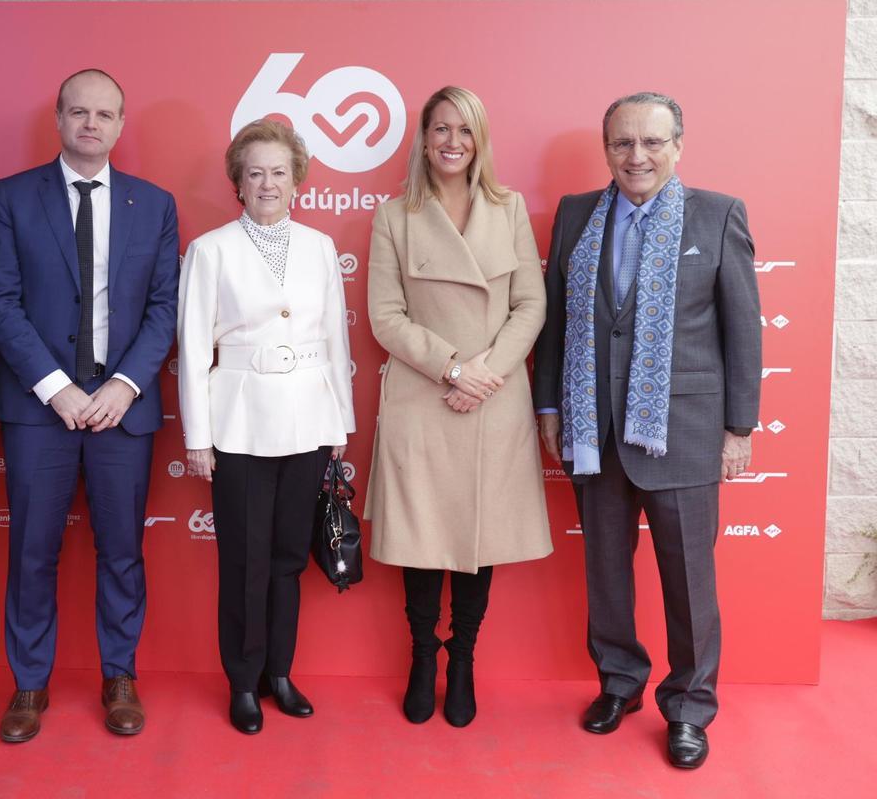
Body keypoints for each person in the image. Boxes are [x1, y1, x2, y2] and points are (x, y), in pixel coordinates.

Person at [532, 92, 761, 769]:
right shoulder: (576, 216)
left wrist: (738, 428)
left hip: (683, 430)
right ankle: (619, 683)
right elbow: (555, 321)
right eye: (623, 143)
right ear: (606, 150)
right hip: (593, 428)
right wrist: (549, 406)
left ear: (678, 147)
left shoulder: (717, 215)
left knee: (689, 583)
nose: (637, 156)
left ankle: (690, 707)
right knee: (605, 572)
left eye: (652, 142)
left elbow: (741, 330)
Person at [0, 69, 179, 742]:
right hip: (41, 409)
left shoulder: (155, 206)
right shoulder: (12, 198)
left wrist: (123, 386)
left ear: (121, 125)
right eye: (78, 112)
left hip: (123, 410)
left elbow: (163, 307)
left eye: (105, 114)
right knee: (32, 551)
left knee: (122, 550)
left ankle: (119, 676)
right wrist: (55, 387)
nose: (91, 124)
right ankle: (29, 684)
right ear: (60, 120)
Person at [365, 86, 553, 728]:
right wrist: (452, 367)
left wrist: (485, 374)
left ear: (480, 140)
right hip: (424, 395)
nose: (452, 141)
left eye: (465, 130)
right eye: (441, 129)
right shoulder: (396, 215)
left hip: (492, 400)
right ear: (423, 138)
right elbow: (385, 317)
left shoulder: (509, 208)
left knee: (481, 535)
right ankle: (423, 656)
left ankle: (463, 660)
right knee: (423, 537)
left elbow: (531, 304)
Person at [178, 119, 355, 735]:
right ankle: (244, 680)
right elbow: (195, 346)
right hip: (239, 423)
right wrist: (197, 436)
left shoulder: (319, 247)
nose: (268, 183)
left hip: (308, 419)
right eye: (255, 172)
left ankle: (280, 672)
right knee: (245, 559)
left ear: (297, 180)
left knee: (286, 556)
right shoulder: (210, 249)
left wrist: (341, 421)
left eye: (280, 171)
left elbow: (336, 338)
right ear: (238, 181)